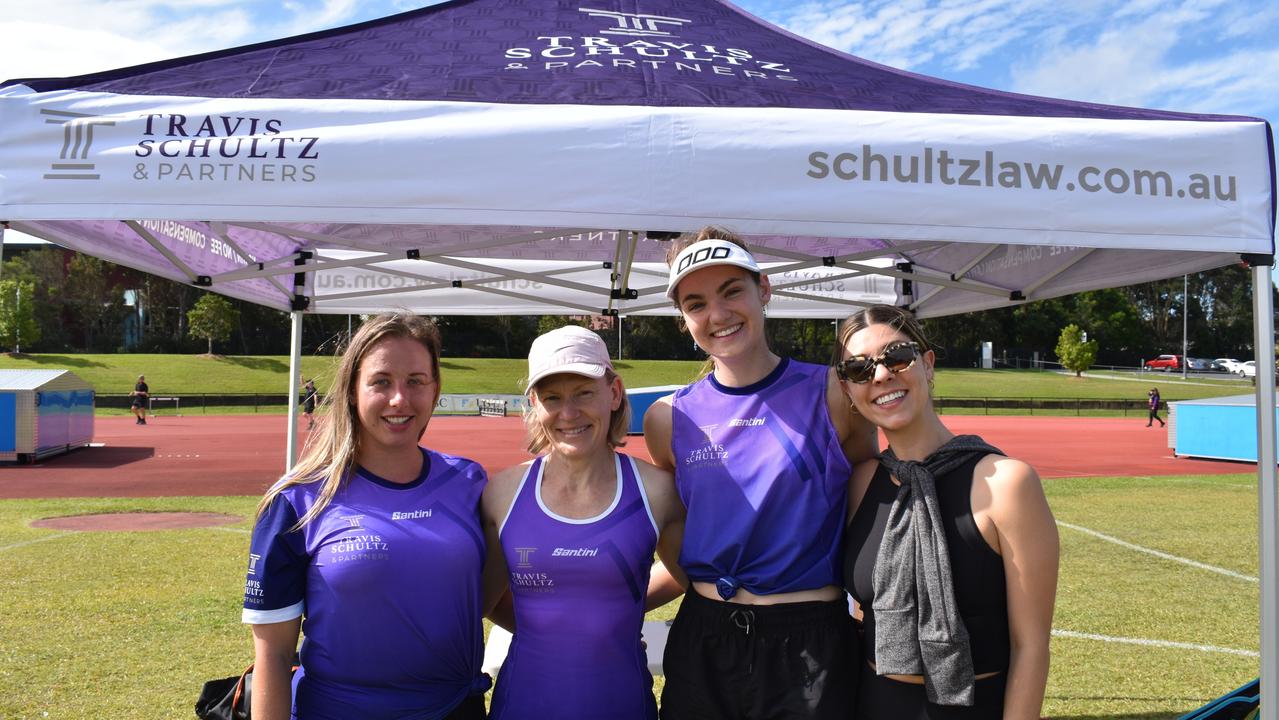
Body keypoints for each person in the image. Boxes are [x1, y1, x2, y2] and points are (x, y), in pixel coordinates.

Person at [643, 227, 878, 720]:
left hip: (810, 641)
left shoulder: (833, 393)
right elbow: (683, 527)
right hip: (704, 638)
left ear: (763, 290)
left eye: (732, 292)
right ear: (684, 320)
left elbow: (868, 505)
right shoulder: (668, 418)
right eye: (696, 303)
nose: (719, 315)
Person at [241, 313, 491, 720]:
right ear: (353, 391)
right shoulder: (297, 502)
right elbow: (274, 653)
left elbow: (498, 593)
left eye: (415, 381)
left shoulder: (470, 482)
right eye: (381, 381)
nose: (399, 400)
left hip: (456, 710)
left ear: (435, 389)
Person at [836, 304, 1058, 719]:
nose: (881, 375)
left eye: (897, 356)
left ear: (928, 364)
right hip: (872, 704)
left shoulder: (1007, 483)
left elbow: (1030, 646)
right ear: (849, 390)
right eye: (859, 369)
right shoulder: (861, 483)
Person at [482, 325, 685, 720]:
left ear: (614, 392)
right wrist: (550, 622)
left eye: (584, 393)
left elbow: (691, 576)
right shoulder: (502, 494)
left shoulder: (657, 491)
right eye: (552, 398)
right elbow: (484, 601)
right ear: (534, 405)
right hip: (522, 705)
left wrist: (617, 612)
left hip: (623, 705)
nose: (568, 413)